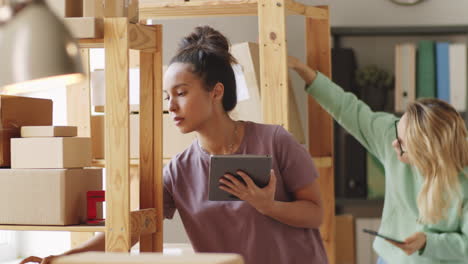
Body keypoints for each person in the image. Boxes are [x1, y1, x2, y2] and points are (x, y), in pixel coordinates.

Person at [21, 26, 328, 264]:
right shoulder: (178, 171)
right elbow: (131, 231)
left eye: (181, 93)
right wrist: (62, 258)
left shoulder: (275, 140)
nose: (171, 106)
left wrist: (268, 206)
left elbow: (316, 213)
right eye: (167, 97)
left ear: (216, 92)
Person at [288, 56, 468, 264]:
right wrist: (301, 69)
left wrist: (428, 242)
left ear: (426, 152)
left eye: (401, 144)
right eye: (397, 132)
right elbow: (347, 108)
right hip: (390, 259)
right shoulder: (392, 133)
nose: (393, 145)